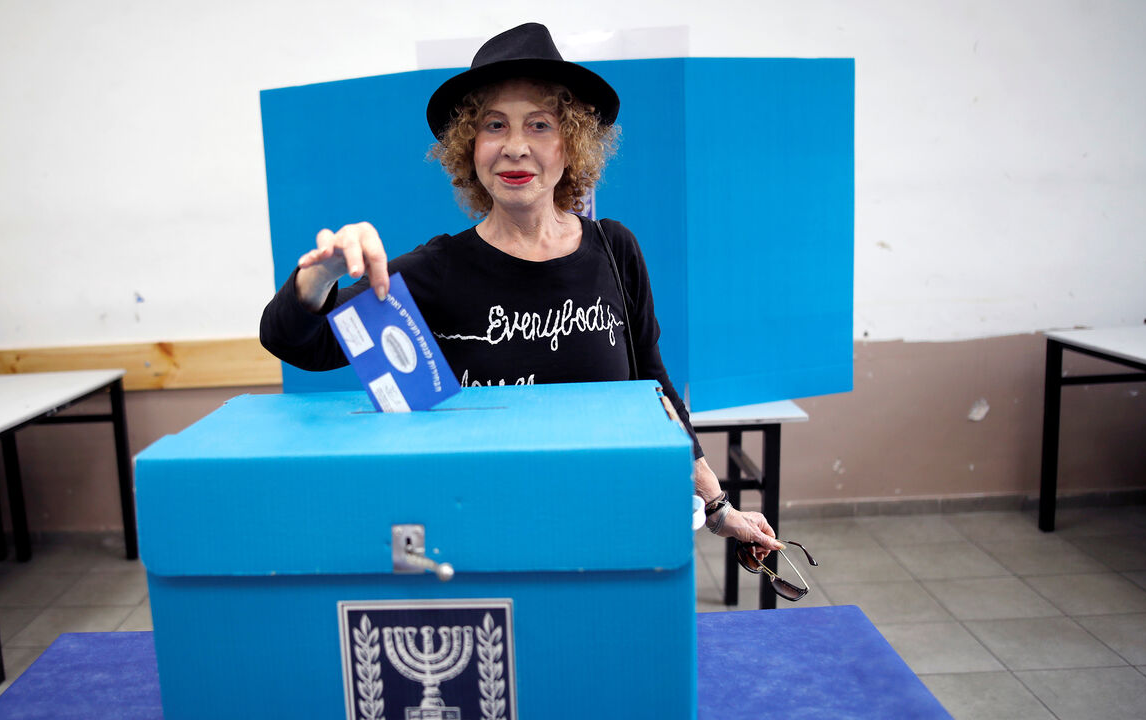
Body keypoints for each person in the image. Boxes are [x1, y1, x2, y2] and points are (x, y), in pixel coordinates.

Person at [259, 22, 782, 558]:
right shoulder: (439, 270)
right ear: (470, 147)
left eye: (539, 124)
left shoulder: (615, 249)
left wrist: (718, 507)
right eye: (494, 125)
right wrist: (320, 274)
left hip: (609, 526)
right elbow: (299, 344)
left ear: (570, 143)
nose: (514, 147)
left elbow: (655, 386)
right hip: (490, 537)